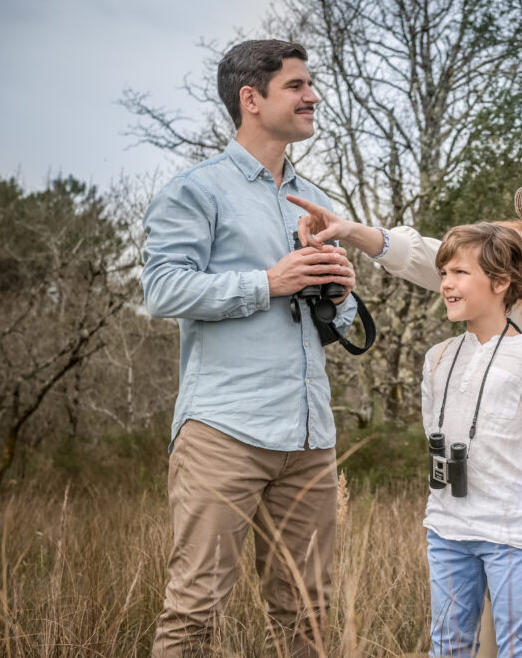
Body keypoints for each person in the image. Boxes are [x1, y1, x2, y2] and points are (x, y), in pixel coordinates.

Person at [289, 151, 522, 656]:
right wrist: (352, 231)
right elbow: (437, 257)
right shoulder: (521, 253)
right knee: (496, 635)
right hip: (506, 461)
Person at [142, 39, 358, 657]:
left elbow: (331, 325)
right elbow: (161, 289)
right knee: (194, 611)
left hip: (311, 439)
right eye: (296, 85)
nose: (312, 95)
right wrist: (268, 282)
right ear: (252, 99)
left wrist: (340, 293)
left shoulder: (314, 197)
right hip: (224, 431)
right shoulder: (195, 191)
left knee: (309, 616)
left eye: (310, 84)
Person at [421, 222, 522, 658]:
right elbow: (435, 437)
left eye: (460, 273)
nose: (447, 283)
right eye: (444, 273)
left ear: (501, 282)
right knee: (448, 645)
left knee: (519, 648)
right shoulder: (438, 359)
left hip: (510, 532)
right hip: (447, 528)